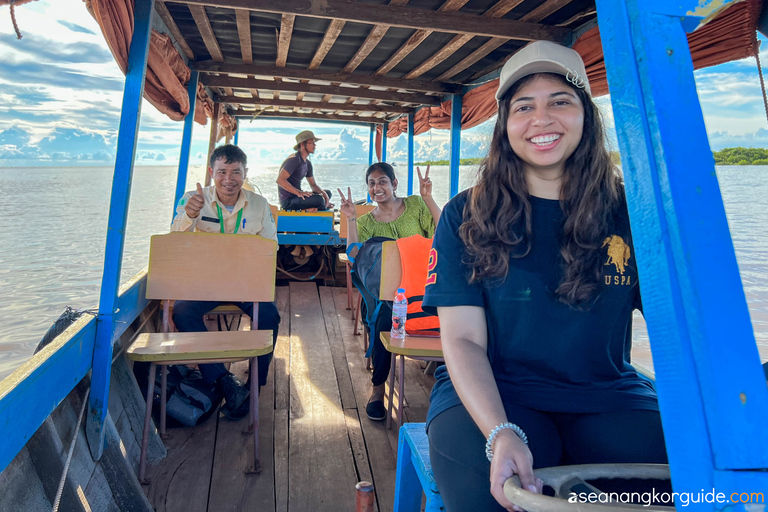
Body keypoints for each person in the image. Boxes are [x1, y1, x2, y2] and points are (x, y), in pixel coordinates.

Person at [422, 40, 668, 511]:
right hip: (493, 393)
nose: (542, 119)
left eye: (560, 101)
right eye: (524, 106)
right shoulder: (464, 215)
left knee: (692, 486)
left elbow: (679, 325)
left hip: (608, 393)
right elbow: (463, 341)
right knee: (493, 496)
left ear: (586, 116)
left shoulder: (634, 212)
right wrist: (500, 432)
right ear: (505, 125)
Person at [171, 144, 280, 420]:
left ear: (245, 173)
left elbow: (271, 247)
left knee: (270, 316)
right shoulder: (192, 199)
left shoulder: (259, 205)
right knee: (182, 311)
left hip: (244, 281)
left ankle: (255, 384)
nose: (228, 179)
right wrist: (190, 216)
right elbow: (173, 241)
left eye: (235, 172)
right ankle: (224, 380)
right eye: (222, 172)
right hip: (205, 280)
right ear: (211, 172)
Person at [337, 162, 441, 421]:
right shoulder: (367, 222)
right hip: (385, 294)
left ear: (394, 184)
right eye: (371, 183)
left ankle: (449, 385)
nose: (377, 187)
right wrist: (350, 219)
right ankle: (377, 390)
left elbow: (443, 234)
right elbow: (353, 255)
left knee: (455, 315)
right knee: (384, 319)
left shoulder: (416, 205)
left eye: (382, 181)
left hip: (421, 287)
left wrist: (429, 199)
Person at [276, 130, 334, 211]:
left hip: (297, 197)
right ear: (303, 144)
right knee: (319, 200)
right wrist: (299, 193)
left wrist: (325, 195)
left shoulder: (308, 163)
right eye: (311, 142)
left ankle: (315, 207)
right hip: (288, 201)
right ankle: (315, 208)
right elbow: (280, 180)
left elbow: (313, 185)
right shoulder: (294, 160)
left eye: (314, 142)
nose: (315, 145)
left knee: (327, 193)